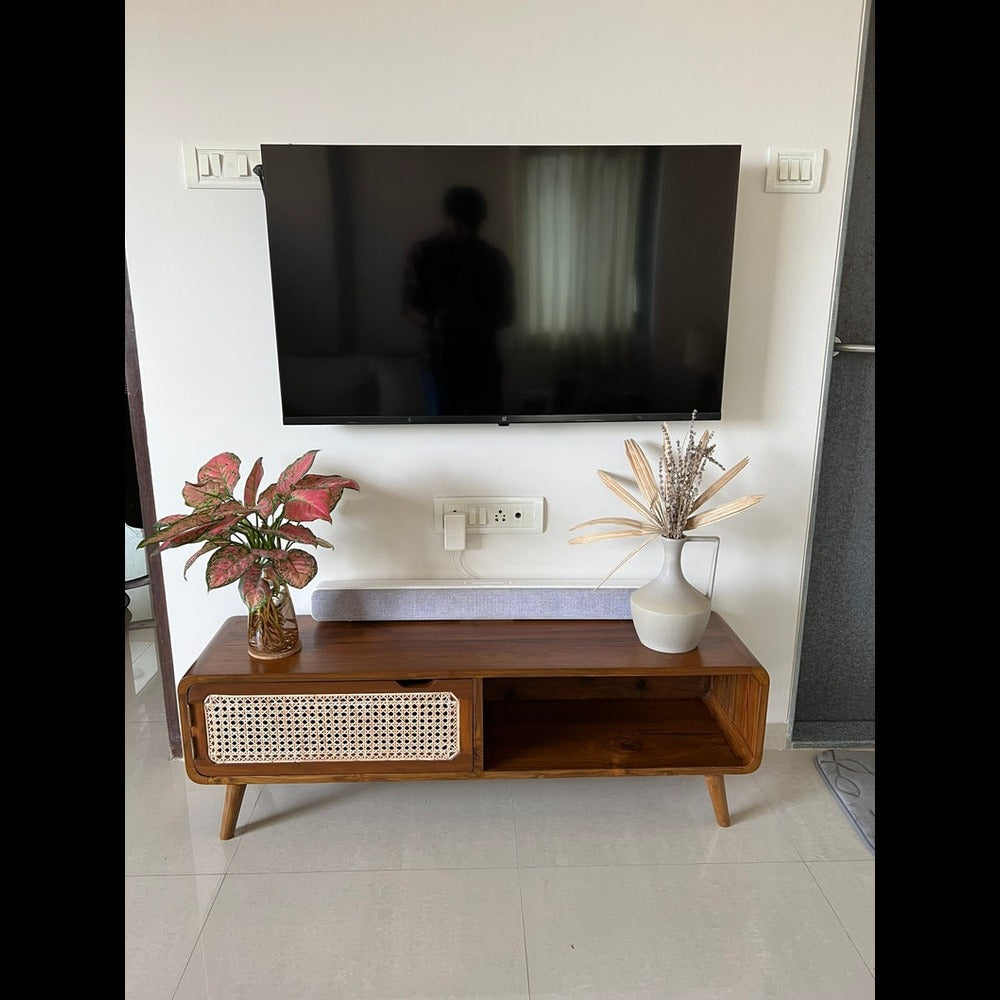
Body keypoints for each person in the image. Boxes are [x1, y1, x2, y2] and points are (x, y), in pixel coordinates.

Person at [403, 186, 515, 415]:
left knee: (486, 431)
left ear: (481, 221)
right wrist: (437, 321)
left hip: (482, 362)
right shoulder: (424, 254)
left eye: (473, 224)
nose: (466, 231)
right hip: (440, 361)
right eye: (461, 223)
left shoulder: (494, 259)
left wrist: (478, 320)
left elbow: (508, 313)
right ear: (448, 218)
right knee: (443, 431)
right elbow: (409, 306)